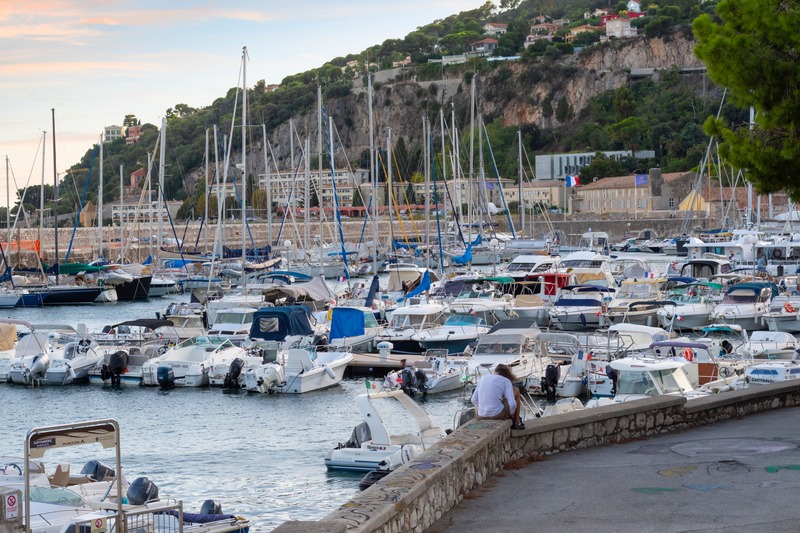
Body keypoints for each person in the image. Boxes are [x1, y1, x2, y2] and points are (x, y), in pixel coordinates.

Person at [470, 364, 524, 429]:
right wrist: (511, 413)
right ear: (507, 375)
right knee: (516, 390)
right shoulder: (506, 381)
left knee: (476, 406)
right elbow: (512, 404)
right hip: (497, 415)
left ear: (496, 371)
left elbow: (473, 400)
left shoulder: (483, 378)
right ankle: (517, 422)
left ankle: (483, 411)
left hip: (480, 415)